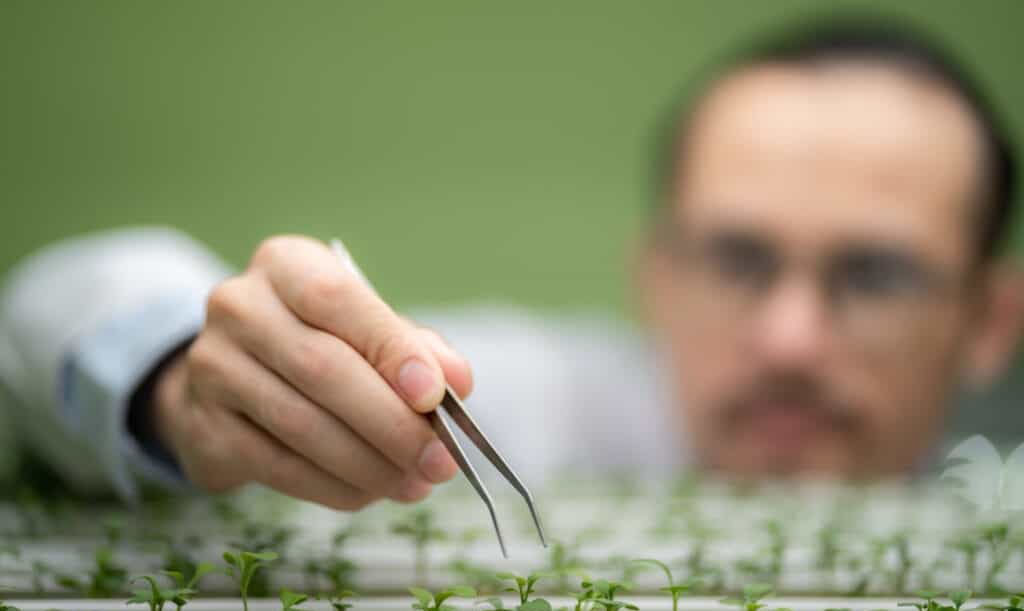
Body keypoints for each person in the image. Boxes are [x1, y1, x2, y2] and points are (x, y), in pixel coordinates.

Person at [1, 19, 1021, 510]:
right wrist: (184, 382)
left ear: (988, 323)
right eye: (737, 259)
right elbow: (51, 305)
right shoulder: (544, 407)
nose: (788, 336)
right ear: (654, 276)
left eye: (875, 276)